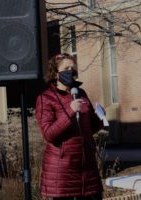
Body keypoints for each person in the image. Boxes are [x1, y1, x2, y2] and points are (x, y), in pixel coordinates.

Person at [35, 53, 104, 200]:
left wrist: (100, 117)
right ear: (55, 73)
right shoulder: (45, 98)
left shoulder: (81, 93)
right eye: (66, 68)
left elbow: (89, 128)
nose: (70, 71)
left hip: (87, 168)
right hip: (62, 171)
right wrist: (70, 111)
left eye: (73, 68)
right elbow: (49, 134)